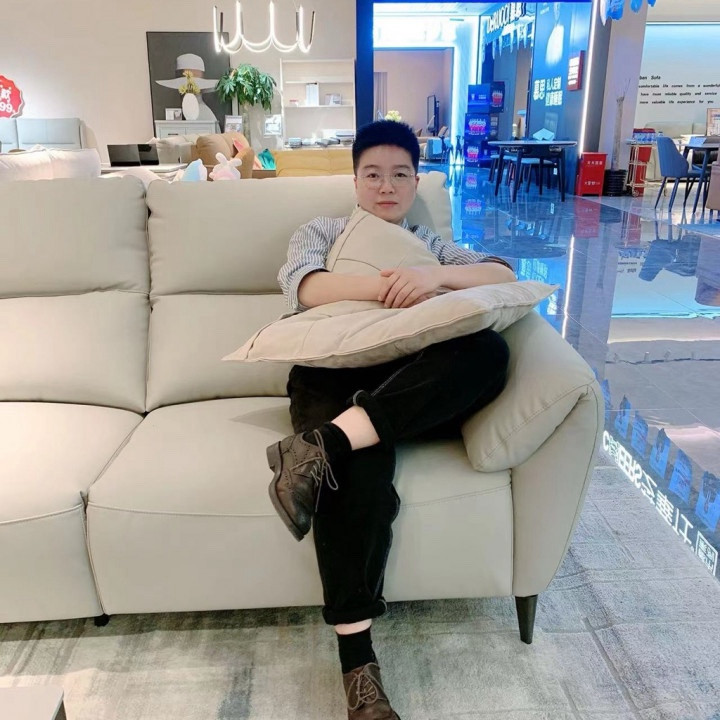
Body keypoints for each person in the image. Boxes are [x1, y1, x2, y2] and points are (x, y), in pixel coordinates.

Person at [269, 120, 516, 719]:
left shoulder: (428, 242)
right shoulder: (323, 230)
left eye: (400, 174)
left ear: (416, 181)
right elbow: (304, 287)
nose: (387, 186)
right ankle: (359, 669)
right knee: (355, 480)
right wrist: (387, 288)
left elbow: (503, 275)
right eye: (373, 174)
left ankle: (323, 444)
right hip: (329, 371)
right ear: (355, 181)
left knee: (488, 351)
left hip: (403, 383)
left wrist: (432, 276)